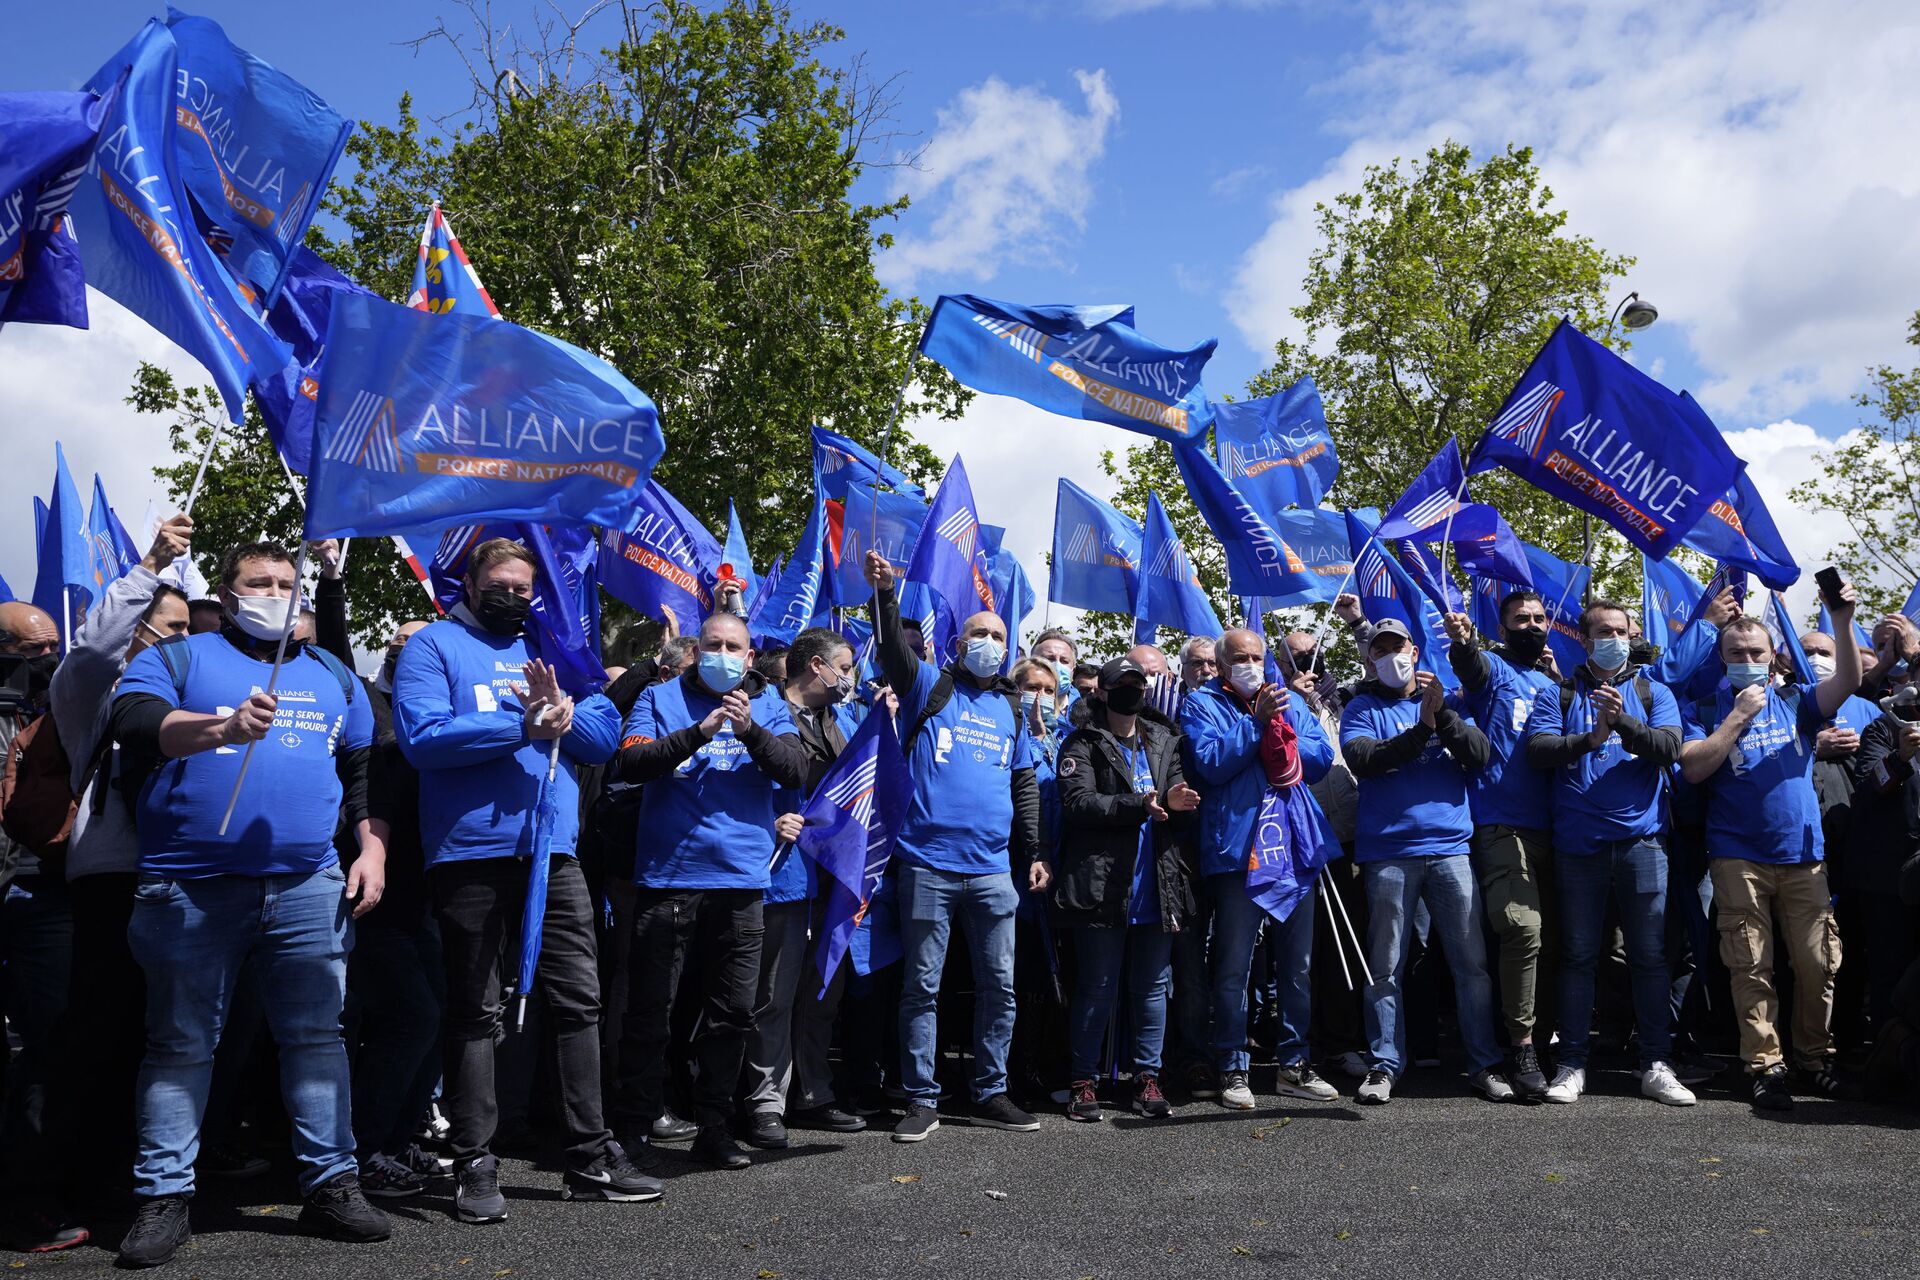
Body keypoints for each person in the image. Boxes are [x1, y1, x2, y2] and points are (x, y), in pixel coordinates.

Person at [107, 541, 389, 1265]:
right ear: (227, 597)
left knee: (317, 1041)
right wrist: (222, 730)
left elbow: (362, 766)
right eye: (259, 582)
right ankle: (164, 1196)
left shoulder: (334, 674)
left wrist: (372, 847)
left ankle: (331, 1182)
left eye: (287, 583)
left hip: (307, 888)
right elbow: (135, 722)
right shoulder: (181, 659)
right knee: (180, 1046)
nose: (276, 592)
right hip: (189, 891)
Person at [393, 538, 657, 1222]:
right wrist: (523, 724)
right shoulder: (434, 646)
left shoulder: (558, 651)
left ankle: (589, 1154)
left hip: (554, 856)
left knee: (579, 1003)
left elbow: (602, 739)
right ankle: (476, 1162)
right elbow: (423, 738)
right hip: (468, 856)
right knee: (475, 1011)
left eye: (523, 585)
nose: (513, 594)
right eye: (500, 583)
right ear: (473, 583)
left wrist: (565, 717)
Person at [1, 520, 190, 1254]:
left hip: (178, 882)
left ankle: (109, 1186)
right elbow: (94, 647)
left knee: (141, 1045)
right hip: (97, 888)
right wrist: (150, 566)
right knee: (70, 1043)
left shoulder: (194, 691)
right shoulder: (92, 692)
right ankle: (30, 1197)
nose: (186, 644)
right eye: (171, 630)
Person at [610, 611, 806, 1169]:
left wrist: (749, 732)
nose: (723, 654)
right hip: (668, 879)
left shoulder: (766, 704)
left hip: (742, 884)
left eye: (734, 647)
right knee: (652, 1013)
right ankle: (633, 1127)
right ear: (695, 653)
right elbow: (631, 761)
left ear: (749, 658)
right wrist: (699, 734)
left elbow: (794, 771)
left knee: (732, 1013)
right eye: (712, 645)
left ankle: (714, 1125)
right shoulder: (659, 697)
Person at [864, 550, 1046, 1144]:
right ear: (957, 642)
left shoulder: (1012, 707)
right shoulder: (929, 688)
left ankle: (990, 1091)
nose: (989, 643)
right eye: (978, 634)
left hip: (994, 872)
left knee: (1001, 986)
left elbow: (1023, 783)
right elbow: (892, 651)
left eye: (997, 635)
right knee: (922, 987)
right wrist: (886, 595)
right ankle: (921, 1097)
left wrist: (1035, 849)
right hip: (926, 866)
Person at [1679, 590, 1862, 1112]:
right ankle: (1765, 1065)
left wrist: (1844, 621)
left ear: (1773, 655)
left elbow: (1847, 682)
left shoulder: (1797, 701)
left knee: (1816, 964)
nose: (1749, 661)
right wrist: (1736, 718)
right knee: (1750, 966)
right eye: (1737, 654)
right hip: (1737, 856)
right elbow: (1693, 767)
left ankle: (1813, 1057)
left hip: (1803, 856)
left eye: (1757, 653)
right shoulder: (1706, 709)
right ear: (1722, 659)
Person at [310, 543, 445, 1199]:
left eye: (418, 642)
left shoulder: (446, 721)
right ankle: (360, 1151)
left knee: (439, 1016)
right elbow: (335, 651)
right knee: (408, 1017)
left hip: (427, 896)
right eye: (397, 641)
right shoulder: (365, 702)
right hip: (370, 893)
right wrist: (332, 582)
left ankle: (397, 1142)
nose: (403, 649)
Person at [1523, 599, 1694, 1107]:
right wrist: (1590, 737)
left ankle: (1656, 1063)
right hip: (1579, 847)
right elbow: (1537, 752)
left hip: (1643, 843)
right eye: (1602, 631)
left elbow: (1670, 748)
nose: (1614, 638)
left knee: (1649, 956)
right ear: (1584, 637)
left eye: (1620, 630)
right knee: (1578, 956)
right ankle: (1572, 1063)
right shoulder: (1560, 692)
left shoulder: (1653, 690)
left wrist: (1621, 725)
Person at [1339, 618, 1508, 1106]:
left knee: (1470, 963)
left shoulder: (1449, 701)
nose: (1391, 657)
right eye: (1380, 650)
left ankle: (1483, 1062)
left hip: (1451, 850)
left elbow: (1480, 755)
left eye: (1399, 648)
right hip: (1388, 854)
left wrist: (1444, 717)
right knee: (1385, 964)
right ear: (1369, 658)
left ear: (1415, 651)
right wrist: (1424, 728)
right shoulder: (1362, 707)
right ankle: (1385, 1064)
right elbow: (1365, 760)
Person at [1181, 628, 1341, 1108]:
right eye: (1239, 658)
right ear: (1222, 664)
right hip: (1238, 855)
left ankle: (1293, 1065)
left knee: (1298, 967)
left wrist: (1282, 727)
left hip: (1292, 852)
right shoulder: (1201, 703)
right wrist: (1255, 724)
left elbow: (1320, 758)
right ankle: (1233, 1066)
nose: (1250, 663)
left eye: (1256, 656)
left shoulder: (1287, 698)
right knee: (1233, 968)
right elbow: (1209, 763)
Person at [1054, 658, 1199, 1121]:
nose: (1131, 692)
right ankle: (1083, 1081)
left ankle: (1146, 1078)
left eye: (1138, 685)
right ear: (1102, 691)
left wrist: (1178, 801)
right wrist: (1138, 804)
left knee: (1152, 988)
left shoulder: (1164, 739)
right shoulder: (1081, 741)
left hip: (1157, 882)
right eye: (1122, 686)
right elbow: (1078, 803)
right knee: (1097, 987)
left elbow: (1177, 790)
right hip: (1101, 884)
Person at [739, 628, 866, 1143]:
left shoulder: (844, 720)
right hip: (782, 878)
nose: (850, 677)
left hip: (832, 879)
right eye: (846, 665)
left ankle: (814, 1094)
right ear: (817, 665)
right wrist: (766, 824)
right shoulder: (762, 708)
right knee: (772, 996)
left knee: (821, 995)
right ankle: (762, 1104)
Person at [1441, 593, 1559, 1102]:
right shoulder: (1493, 669)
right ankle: (1522, 1046)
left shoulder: (1554, 684)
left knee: (1559, 942)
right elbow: (1469, 666)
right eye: (1520, 620)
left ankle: (1558, 1041)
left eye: (1538, 618)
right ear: (1502, 627)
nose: (1531, 626)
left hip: (1558, 828)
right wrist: (1463, 642)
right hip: (1500, 822)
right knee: (1521, 930)